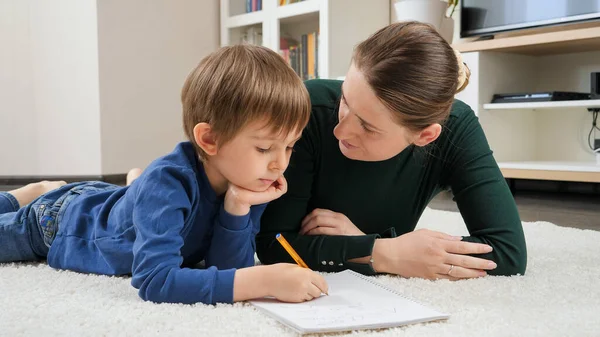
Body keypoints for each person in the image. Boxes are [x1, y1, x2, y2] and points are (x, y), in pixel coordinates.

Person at [0, 45, 328, 304]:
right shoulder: (168, 182)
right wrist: (265, 280)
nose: (279, 164)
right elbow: (154, 280)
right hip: (58, 222)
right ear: (209, 140)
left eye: (289, 147)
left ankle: (124, 185)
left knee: (135, 199)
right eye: (264, 148)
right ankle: (28, 194)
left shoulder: (249, 181)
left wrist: (237, 207)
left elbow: (228, 268)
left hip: (115, 201)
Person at [256, 22, 527, 280]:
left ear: (424, 136)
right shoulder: (308, 110)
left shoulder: (456, 128)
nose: (340, 130)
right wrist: (386, 253)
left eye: (367, 126)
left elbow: (507, 252)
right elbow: (273, 244)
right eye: (346, 101)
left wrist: (367, 243)